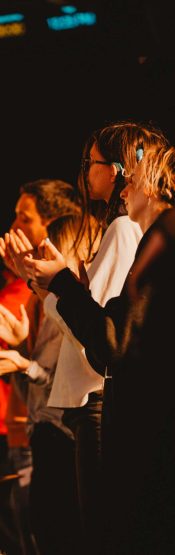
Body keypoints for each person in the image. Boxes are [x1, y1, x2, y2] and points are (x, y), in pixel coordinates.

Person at [4, 122, 169, 555]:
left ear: (125, 172)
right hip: (95, 405)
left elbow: (104, 340)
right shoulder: (133, 231)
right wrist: (55, 288)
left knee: (95, 535)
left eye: (91, 163)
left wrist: (56, 286)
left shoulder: (127, 230)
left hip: (97, 405)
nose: (120, 181)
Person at [0, 206, 101, 555]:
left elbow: (76, 374)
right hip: (42, 432)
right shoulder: (52, 307)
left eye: (53, 252)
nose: (45, 259)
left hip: (62, 436)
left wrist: (24, 366)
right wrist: (19, 344)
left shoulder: (76, 310)